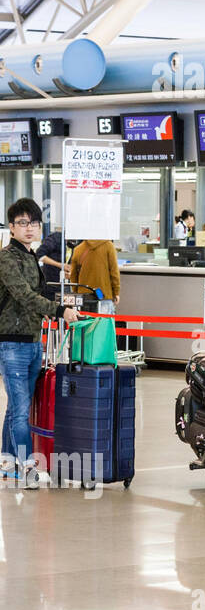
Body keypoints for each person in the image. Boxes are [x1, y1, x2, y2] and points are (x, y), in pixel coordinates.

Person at [0, 199, 79, 473]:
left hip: (33, 341)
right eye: (22, 223)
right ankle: (27, 465)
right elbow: (24, 295)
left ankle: (7, 460)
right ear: (11, 227)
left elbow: (40, 293)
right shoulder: (7, 258)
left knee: (16, 406)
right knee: (21, 410)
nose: (29, 228)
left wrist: (65, 305)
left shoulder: (31, 255)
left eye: (34, 223)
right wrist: (59, 310)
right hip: (11, 343)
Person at [69, 239, 121, 315]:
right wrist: (116, 292)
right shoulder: (108, 246)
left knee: (86, 325)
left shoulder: (78, 249)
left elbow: (73, 276)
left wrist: (76, 291)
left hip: (84, 297)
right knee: (104, 325)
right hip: (103, 295)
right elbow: (114, 272)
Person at [35, 229, 66, 301]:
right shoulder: (56, 238)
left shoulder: (78, 242)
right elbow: (39, 254)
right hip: (51, 284)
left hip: (67, 285)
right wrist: (59, 265)